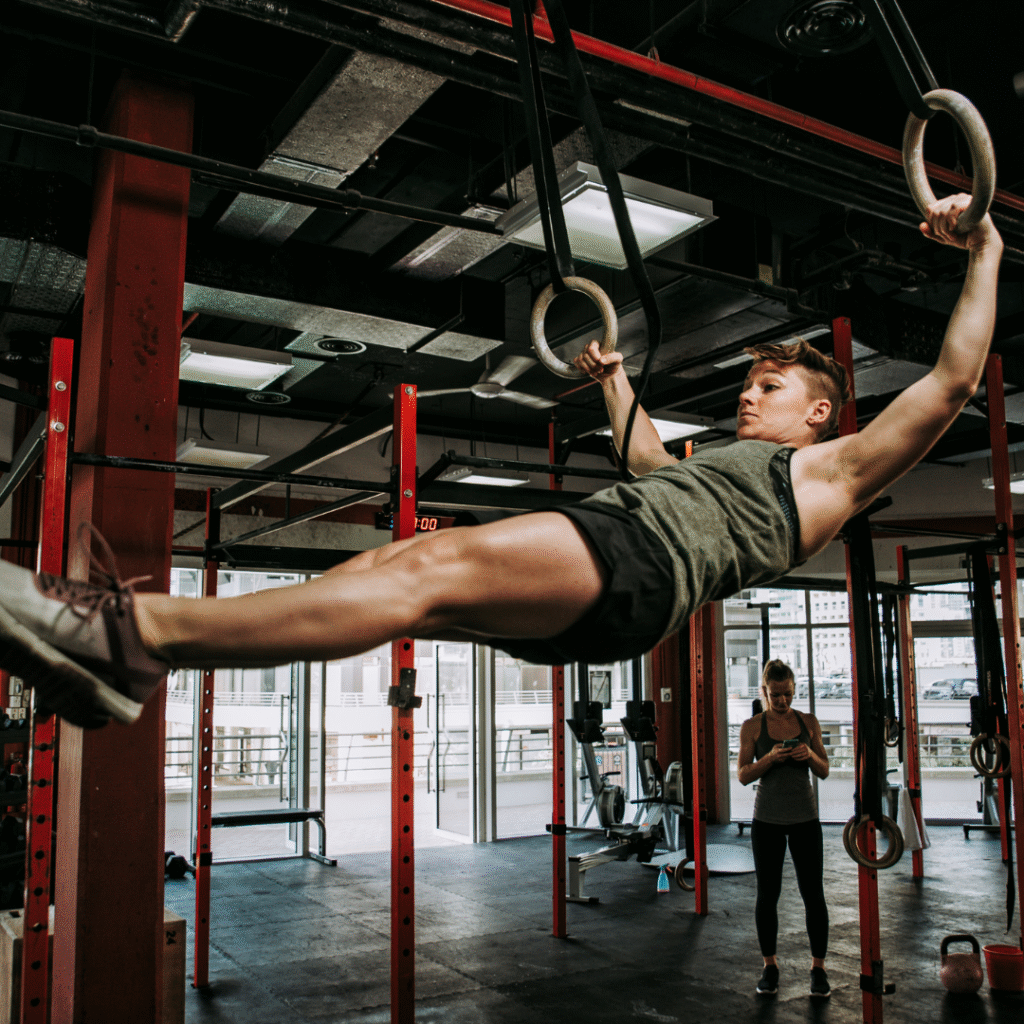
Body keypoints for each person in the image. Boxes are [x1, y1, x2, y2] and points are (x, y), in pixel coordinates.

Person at [0, 193, 1003, 728]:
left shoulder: (830, 473)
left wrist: (985, 247)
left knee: (422, 570)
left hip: (637, 563)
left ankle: (127, 632)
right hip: (627, 560)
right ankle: (133, 659)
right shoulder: (728, 469)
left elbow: (952, 381)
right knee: (395, 576)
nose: (748, 394)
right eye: (750, 385)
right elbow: (651, 460)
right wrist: (612, 378)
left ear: (821, 412)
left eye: (771, 389)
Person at [737, 660, 831, 998]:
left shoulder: (808, 722)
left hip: (805, 819)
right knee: (767, 895)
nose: (783, 702)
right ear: (765, 691)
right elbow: (744, 775)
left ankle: (818, 969)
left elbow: (825, 770)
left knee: (813, 896)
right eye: (777, 696)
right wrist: (769, 760)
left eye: (788, 694)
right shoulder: (751, 727)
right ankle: (770, 965)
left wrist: (808, 756)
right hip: (767, 822)